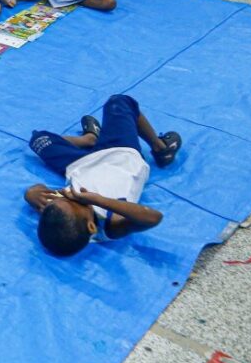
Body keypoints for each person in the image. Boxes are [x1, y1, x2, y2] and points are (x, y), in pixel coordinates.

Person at [24, 95, 181, 257]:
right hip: (120, 153)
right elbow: (153, 218)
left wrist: (32, 194)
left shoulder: (60, 214)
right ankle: (161, 149)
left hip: (77, 163)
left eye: (62, 199)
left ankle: (89, 139)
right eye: (74, 201)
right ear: (91, 226)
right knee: (118, 102)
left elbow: (38, 192)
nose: (67, 196)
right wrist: (97, 200)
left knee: (39, 139)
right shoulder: (111, 225)